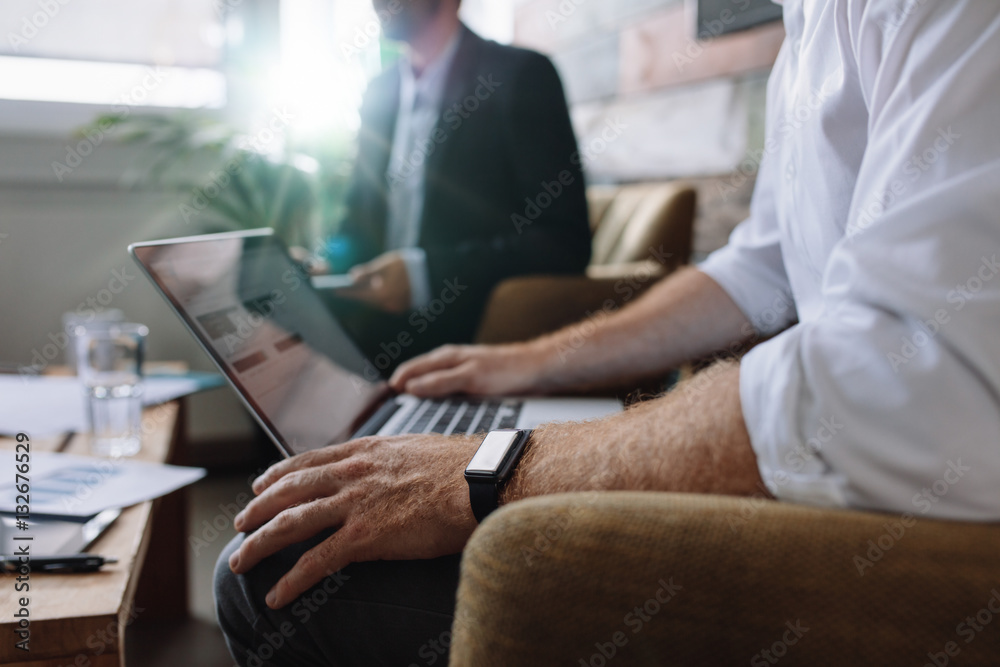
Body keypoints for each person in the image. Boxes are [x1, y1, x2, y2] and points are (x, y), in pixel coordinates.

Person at [215, 1, 1000, 664]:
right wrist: (516, 364)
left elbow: (916, 381)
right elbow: (760, 269)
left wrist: (491, 470)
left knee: (275, 577)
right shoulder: (809, 31)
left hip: (912, 509)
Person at [314, 0, 591, 370]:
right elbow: (359, 218)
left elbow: (564, 243)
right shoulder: (379, 92)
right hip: (369, 338)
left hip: (470, 342)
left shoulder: (520, 76)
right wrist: (328, 266)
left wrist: (423, 275)